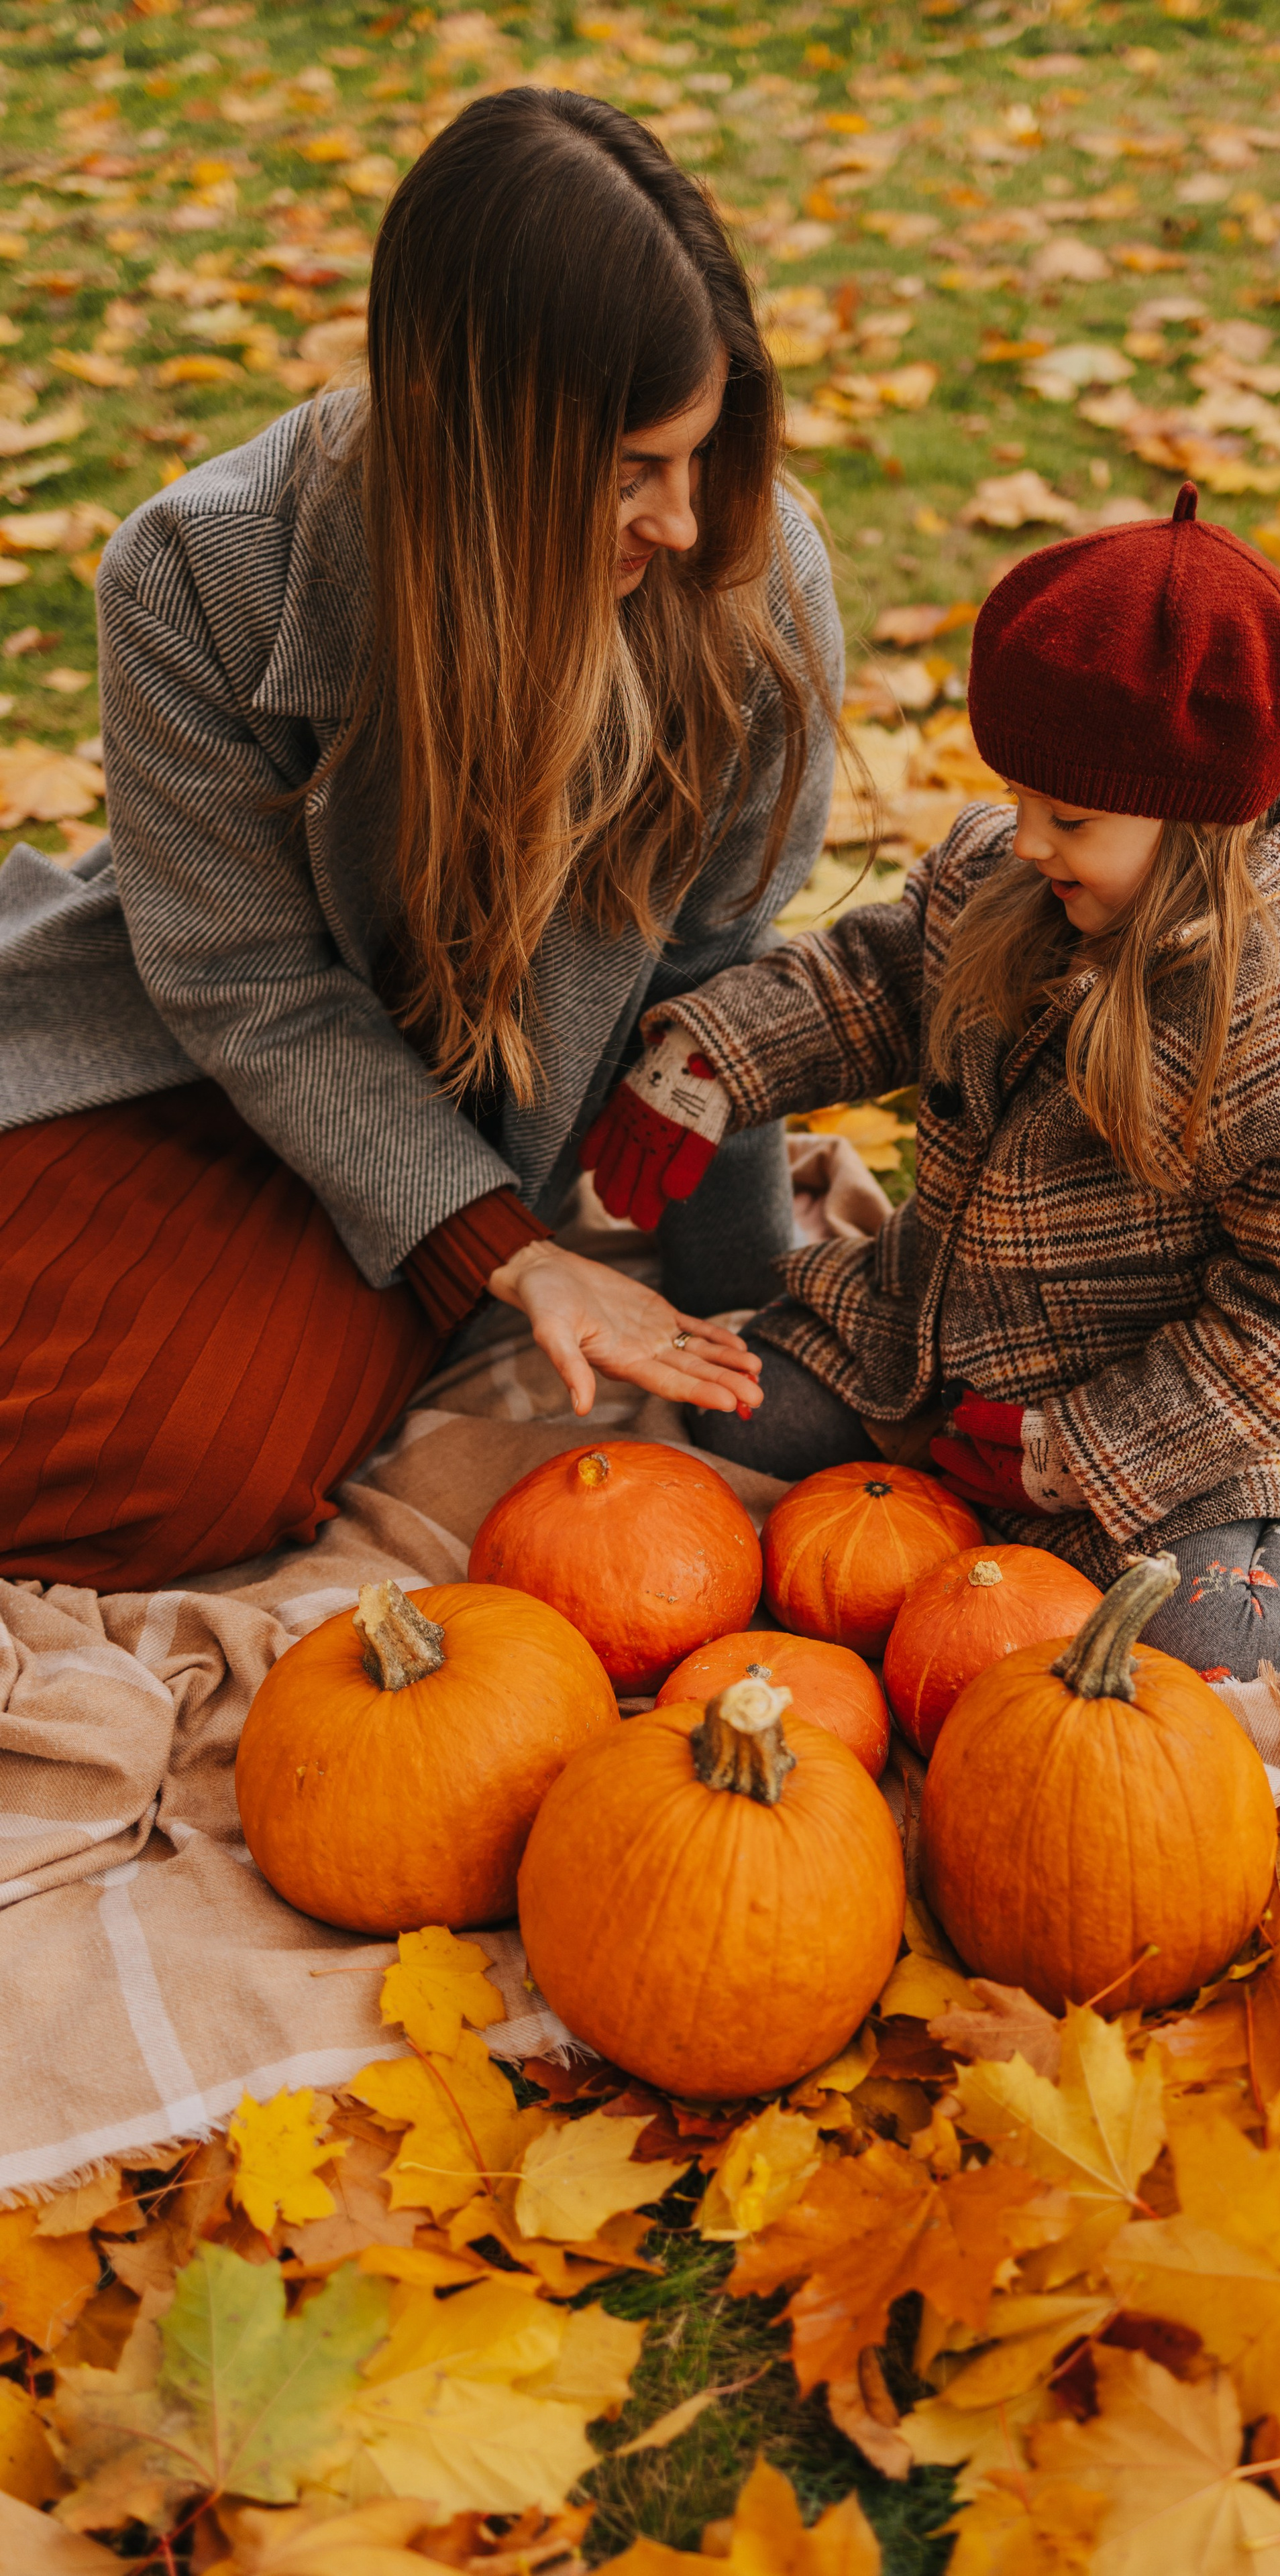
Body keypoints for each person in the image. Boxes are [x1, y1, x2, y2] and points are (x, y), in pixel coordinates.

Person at [0, 87, 841, 1593]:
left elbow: (717, 980)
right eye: (629, 472)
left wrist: (752, 1321)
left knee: (193, 1459)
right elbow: (242, 982)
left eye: (702, 452)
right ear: (478, 455)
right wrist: (514, 1256)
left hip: (459, 1129)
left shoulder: (751, 582)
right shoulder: (196, 570)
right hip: (190, 1054)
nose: (682, 519)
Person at [580, 487, 1280, 1676]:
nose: (1029, 837)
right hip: (941, 1335)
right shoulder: (1015, 874)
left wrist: (1083, 1449)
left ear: (1194, 818)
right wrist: (714, 1057)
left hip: (1180, 1411)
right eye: (1019, 800)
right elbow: (881, 981)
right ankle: (983, 1479)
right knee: (742, 1418)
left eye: (1069, 816)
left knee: (1200, 1630)